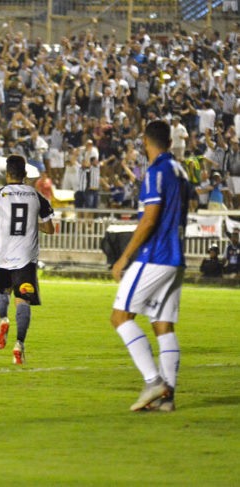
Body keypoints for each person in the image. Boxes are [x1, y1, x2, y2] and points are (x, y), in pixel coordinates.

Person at [110, 120, 190, 412]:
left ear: (146, 143)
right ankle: (167, 398)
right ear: (170, 142)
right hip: (176, 258)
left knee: (120, 317)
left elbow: (150, 218)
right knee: (163, 325)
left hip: (155, 256)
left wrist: (124, 257)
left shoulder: (155, 171)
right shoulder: (181, 172)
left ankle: (153, 381)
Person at [0, 154, 55, 365]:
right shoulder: (37, 196)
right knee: (23, 300)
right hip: (26, 258)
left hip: (2, 257)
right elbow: (50, 229)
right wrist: (32, 224)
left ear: (6, 174)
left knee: (3, 291)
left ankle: (3, 319)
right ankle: (19, 344)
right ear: (26, 174)